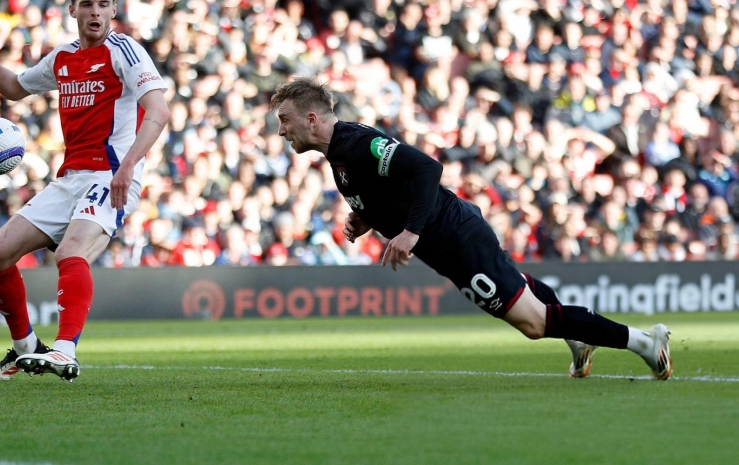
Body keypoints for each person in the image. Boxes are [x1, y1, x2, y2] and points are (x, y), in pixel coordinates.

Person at [271, 77, 673, 380]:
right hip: (448, 246)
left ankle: (643, 342)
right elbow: (393, 187)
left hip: (456, 236)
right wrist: (368, 217)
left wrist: (410, 231)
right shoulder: (340, 154)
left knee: (534, 324)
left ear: (311, 118)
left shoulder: (355, 144)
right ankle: (579, 339)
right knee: (522, 290)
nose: (281, 131)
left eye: (284, 120)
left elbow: (426, 168)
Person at [0, 0, 169, 382]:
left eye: (102, 4)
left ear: (114, 10)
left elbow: (159, 110)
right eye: (87, 4)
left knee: (70, 253)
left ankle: (65, 350)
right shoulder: (62, 58)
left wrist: (130, 165)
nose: (95, 11)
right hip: (69, 179)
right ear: (72, 10)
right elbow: (15, 87)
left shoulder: (125, 51)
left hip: (113, 174)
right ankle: (25, 348)